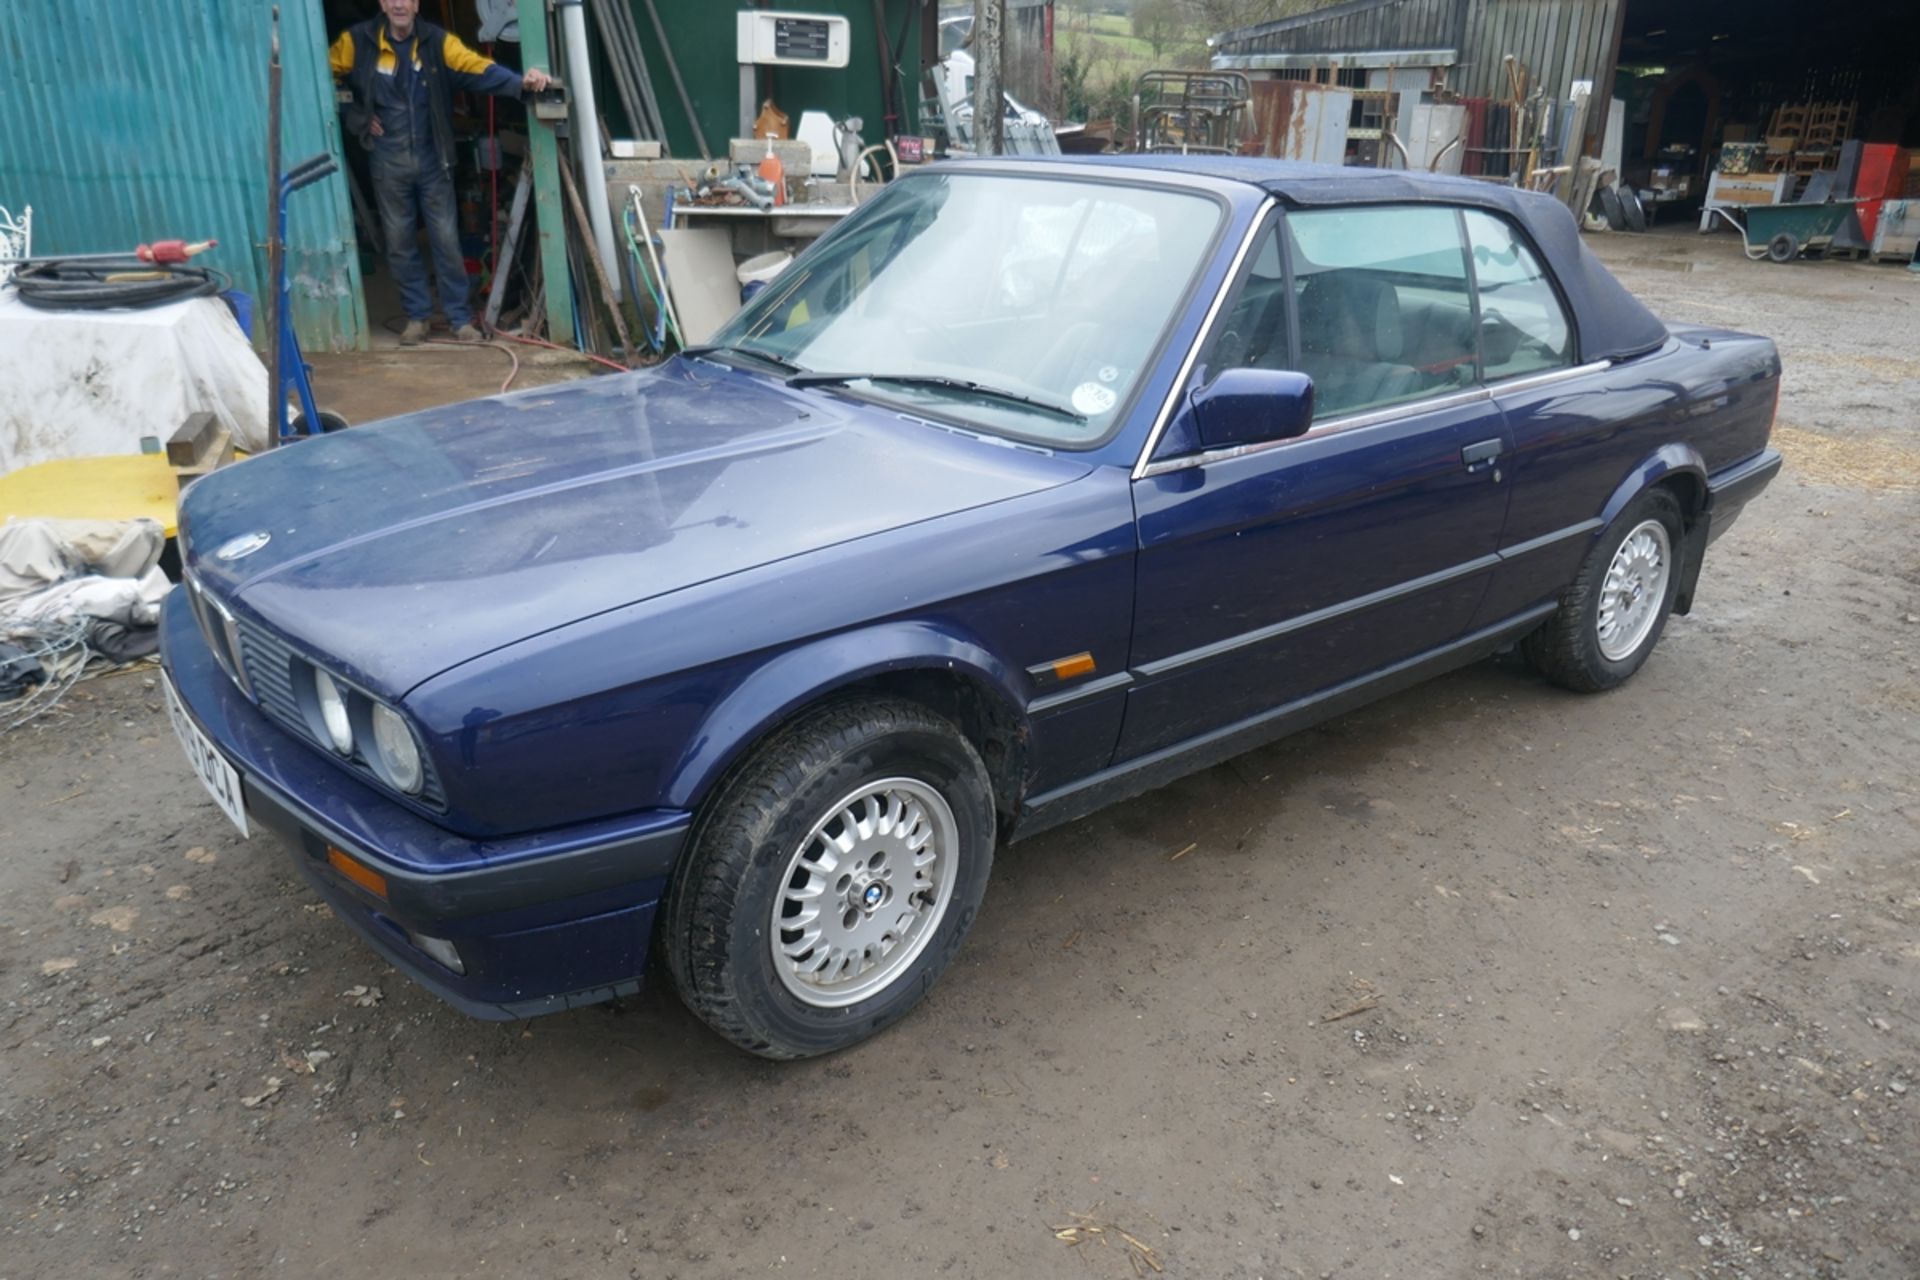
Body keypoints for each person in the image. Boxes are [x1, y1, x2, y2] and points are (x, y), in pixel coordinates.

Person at [329, 0, 550, 344]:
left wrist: (521, 83)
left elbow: (479, 69)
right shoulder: (358, 41)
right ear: (383, 4)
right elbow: (319, 79)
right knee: (400, 242)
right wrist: (354, 116)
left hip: (434, 160)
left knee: (445, 240)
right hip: (388, 161)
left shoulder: (436, 42)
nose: (399, 4)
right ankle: (417, 318)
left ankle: (460, 319)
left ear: (416, 4)